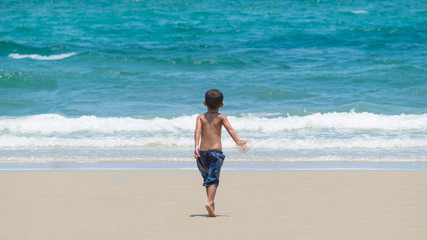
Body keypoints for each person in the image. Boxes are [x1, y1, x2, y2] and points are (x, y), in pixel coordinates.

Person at [194, 89, 247, 217]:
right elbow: (231, 130)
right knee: (213, 180)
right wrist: (238, 141)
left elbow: (197, 131)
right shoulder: (221, 117)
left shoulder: (200, 117)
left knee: (208, 179)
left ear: (204, 102)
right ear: (222, 104)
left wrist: (196, 146)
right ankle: (210, 201)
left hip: (202, 153)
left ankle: (211, 204)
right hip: (216, 153)